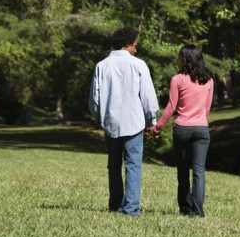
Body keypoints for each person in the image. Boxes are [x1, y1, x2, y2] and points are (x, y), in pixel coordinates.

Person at [88, 27, 159, 216]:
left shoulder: (101, 66)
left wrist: (99, 118)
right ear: (128, 43)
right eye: (135, 44)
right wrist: (152, 119)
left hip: (111, 122)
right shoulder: (139, 65)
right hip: (134, 122)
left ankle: (115, 204)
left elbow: (94, 100)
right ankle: (130, 208)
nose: (136, 48)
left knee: (113, 164)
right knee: (133, 165)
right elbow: (148, 97)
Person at [147, 45, 214, 218]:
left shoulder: (177, 79)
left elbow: (170, 108)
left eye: (179, 57)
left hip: (182, 130)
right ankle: (198, 211)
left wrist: (157, 128)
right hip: (201, 129)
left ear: (185, 59)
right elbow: (206, 110)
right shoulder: (208, 80)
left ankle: (186, 209)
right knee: (199, 171)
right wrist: (199, 121)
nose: (177, 59)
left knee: (183, 170)